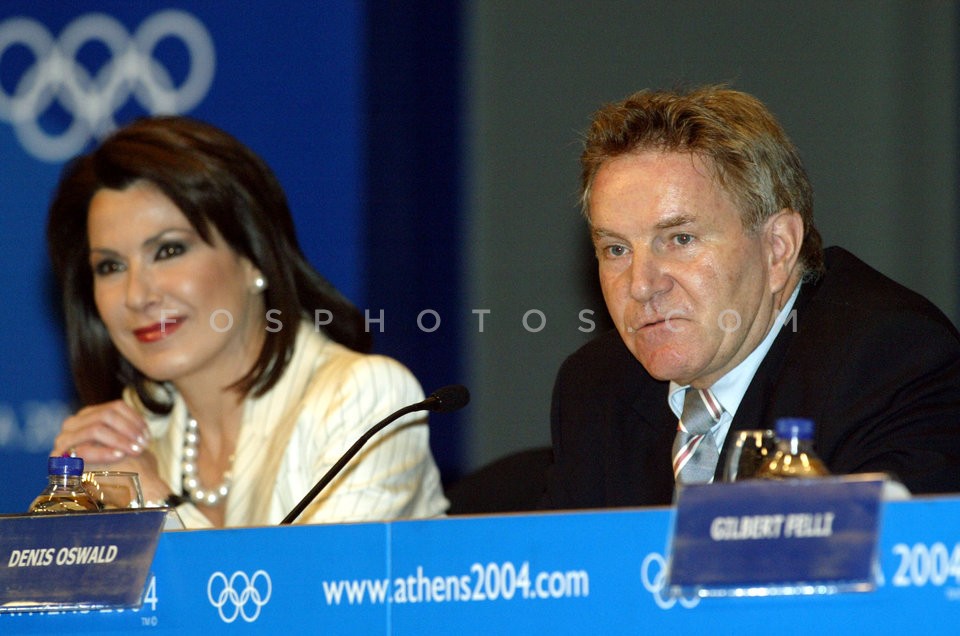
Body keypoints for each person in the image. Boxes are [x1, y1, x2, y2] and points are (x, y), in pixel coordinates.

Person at [544, 85, 960, 509]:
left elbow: (888, 546)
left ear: (778, 247)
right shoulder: (596, 389)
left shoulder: (888, 361)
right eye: (616, 249)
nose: (641, 285)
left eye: (680, 239)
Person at [46, 116, 448, 528]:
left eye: (168, 251)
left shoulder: (364, 401)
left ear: (254, 256)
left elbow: (316, 573)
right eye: (110, 266)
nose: (136, 295)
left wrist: (150, 503)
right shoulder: (129, 432)